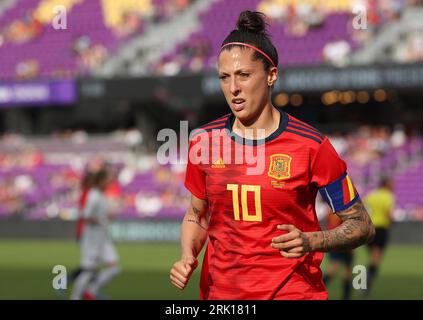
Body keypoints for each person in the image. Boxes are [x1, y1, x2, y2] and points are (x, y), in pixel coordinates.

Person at [169, 10, 375, 300]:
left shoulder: (312, 145)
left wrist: (312, 240)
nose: (233, 88)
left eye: (243, 75)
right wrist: (187, 254)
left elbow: (362, 225)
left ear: (271, 75)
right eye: (224, 77)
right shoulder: (204, 142)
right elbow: (197, 215)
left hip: (293, 293)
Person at [71, 169, 121, 300]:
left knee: (114, 268)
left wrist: (106, 217)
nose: (109, 182)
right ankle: (75, 297)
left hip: (102, 239)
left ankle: (90, 291)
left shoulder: (102, 195)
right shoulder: (93, 195)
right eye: (106, 180)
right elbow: (85, 214)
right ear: (100, 180)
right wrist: (99, 220)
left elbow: (100, 214)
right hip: (91, 239)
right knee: (88, 270)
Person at [364, 176, 395, 296]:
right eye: (392, 183)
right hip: (381, 229)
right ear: (387, 184)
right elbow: (389, 214)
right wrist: (391, 221)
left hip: (369, 229)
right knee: (376, 259)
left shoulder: (371, 195)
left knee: (372, 256)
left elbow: (364, 208)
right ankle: (365, 283)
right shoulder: (388, 196)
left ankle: (364, 282)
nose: (394, 185)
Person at [322, 212, 354, 300]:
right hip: (340, 244)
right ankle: (317, 289)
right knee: (334, 271)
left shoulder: (330, 213)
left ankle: (346, 297)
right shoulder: (342, 212)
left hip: (340, 244)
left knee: (346, 272)